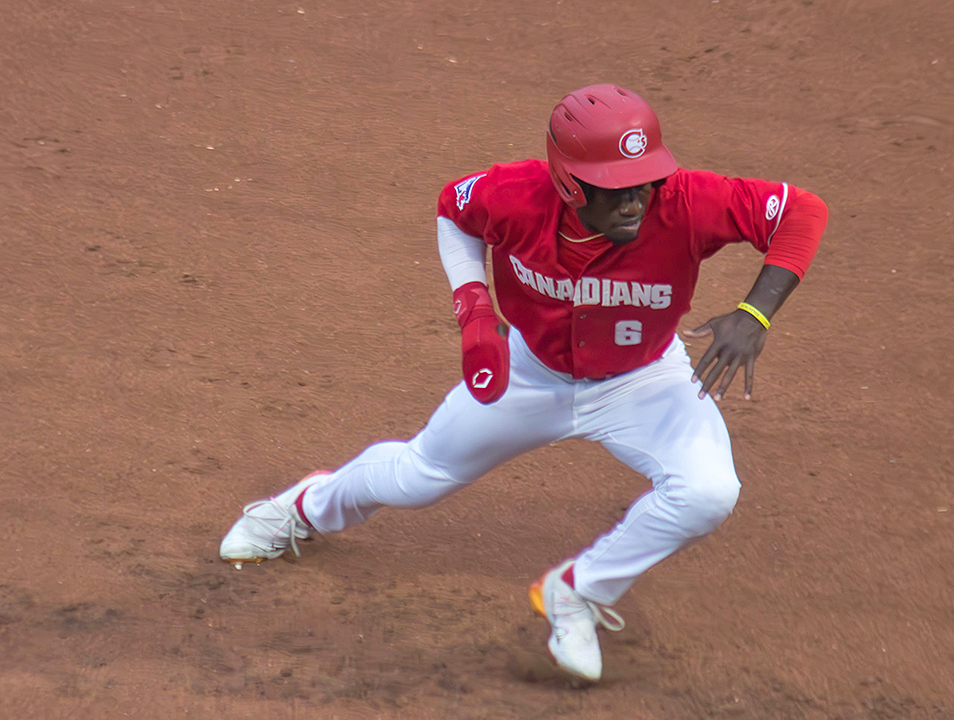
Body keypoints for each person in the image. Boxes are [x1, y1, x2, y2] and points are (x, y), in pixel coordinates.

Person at [219, 84, 828, 682]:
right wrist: (474, 308)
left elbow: (803, 209)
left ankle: (576, 593)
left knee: (708, 492)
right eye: (615, 188)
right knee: (417, 478)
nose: (635, 200)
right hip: (529, 375)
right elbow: (453, 211)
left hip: (643, 380)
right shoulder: (512, 194)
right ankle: (297, 509)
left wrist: (754, 314)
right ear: (568, 184)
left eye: (644, 180)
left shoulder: (688, 200)